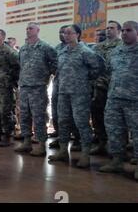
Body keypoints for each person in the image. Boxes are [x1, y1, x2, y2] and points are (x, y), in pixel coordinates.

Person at [48, 24, 105, 168]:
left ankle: (85, 154)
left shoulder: (85, 51)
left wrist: (85, 80)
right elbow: (58, 70)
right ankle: (62, 151)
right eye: (65, 33)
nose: (66, 35)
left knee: (81, 123)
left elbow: (98, 68)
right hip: (63, 92)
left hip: (80, 93)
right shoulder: (62, 52)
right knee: (63, 121)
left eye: (69, 33)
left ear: (77, 34)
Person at [98, 21, 138, 181]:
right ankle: (117, 161)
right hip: (114, 98)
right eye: (124, 31)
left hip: (134, 100)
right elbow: (108, 71)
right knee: (114, 130)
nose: (125, 33)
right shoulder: (116, 51)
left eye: (129, 30)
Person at [14, 22, 57, 157]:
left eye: (31, 28)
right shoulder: (24, 48)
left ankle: (41, 144)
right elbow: (20, 65)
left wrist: (46, 75)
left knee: (39, 116)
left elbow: (55, 63)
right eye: (27, 28)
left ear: (38, 30)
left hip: (38, 87)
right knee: (24, 115)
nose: (28, 30)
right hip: (25, 86)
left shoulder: (45, 47)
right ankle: (27, 141)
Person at [90, 21, 123, 156]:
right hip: (99, 87)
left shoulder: (123, 46)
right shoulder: (98, 47)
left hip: (117, 88)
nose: (108, 30)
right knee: (97, 115)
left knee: (117, 119)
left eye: (112, 28)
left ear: (119, 31)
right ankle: (102, 143)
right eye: (107, 28)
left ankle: (119, 148)